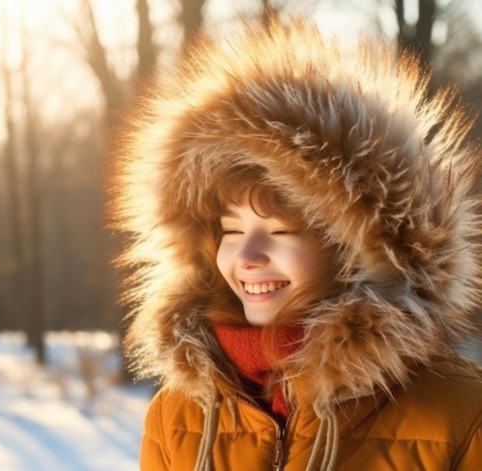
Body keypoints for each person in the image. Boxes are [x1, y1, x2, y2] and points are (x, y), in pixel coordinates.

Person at [106, 12, 482, 471]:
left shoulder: (462, 411)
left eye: (279, 232)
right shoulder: (178, 414)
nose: (246, 257)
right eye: (232, 231)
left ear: (352, 251)